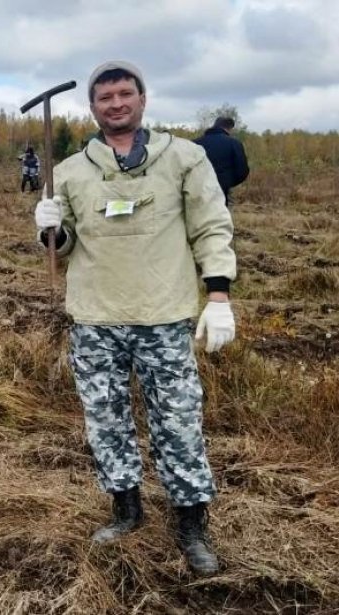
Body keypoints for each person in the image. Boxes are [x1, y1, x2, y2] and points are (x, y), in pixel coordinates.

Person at [34, 60, 236, 576]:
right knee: (106, 421)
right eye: (105, 97)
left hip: (163, 316)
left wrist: (218, 295)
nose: (116, 104)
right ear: (94, 107)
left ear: (142, 100)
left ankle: (191, 522)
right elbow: (66, 242)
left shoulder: (184, 159)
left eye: (125, 94)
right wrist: (51, 229)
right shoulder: (73, 172)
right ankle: (126, 509)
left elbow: (211, 225)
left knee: (178, 421)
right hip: (96, 319)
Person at [194, 116, 250, 208]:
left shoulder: (195, 143)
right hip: (222, 191)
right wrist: (228, 183)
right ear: (229, 128)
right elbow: (242, 171)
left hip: (197, 191)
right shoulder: (234, 143)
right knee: (221, 219)